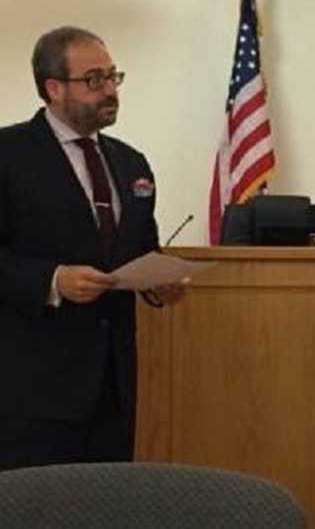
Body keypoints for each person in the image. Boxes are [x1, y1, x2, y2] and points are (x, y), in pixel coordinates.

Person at [0, 26, 185, 470]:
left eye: (113, 77)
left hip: (113, 387)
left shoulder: (130, 162)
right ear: (53, 88)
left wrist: (158, 284)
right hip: (30, 390)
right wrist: (52, 280)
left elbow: (141, 247)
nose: (109, 90)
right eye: (94, 79)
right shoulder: (8, 154)